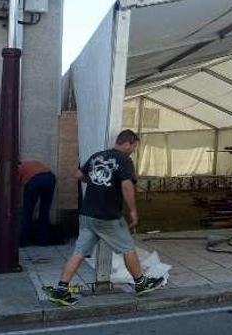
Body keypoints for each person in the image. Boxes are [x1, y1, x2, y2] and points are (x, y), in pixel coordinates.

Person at [47, 130, 164, 306]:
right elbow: (126, 186)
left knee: (79, 252)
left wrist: (96, 181)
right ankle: (141, 284)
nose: (133, 150)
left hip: (88, 214)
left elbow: (78, 175)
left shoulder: (97, 156)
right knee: (128, 248)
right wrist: (133, 211)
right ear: (128, 143)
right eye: (134, 147)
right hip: (108, 216)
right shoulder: (124, 160)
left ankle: (61, 290)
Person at [19, 160, 56, 247]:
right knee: (44, 211)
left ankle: (23, 241)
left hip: (34, 181)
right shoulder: (32, 163)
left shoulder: (18, 168)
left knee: (27, 212)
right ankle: (43, 241)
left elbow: (15, 185)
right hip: (50, 178)